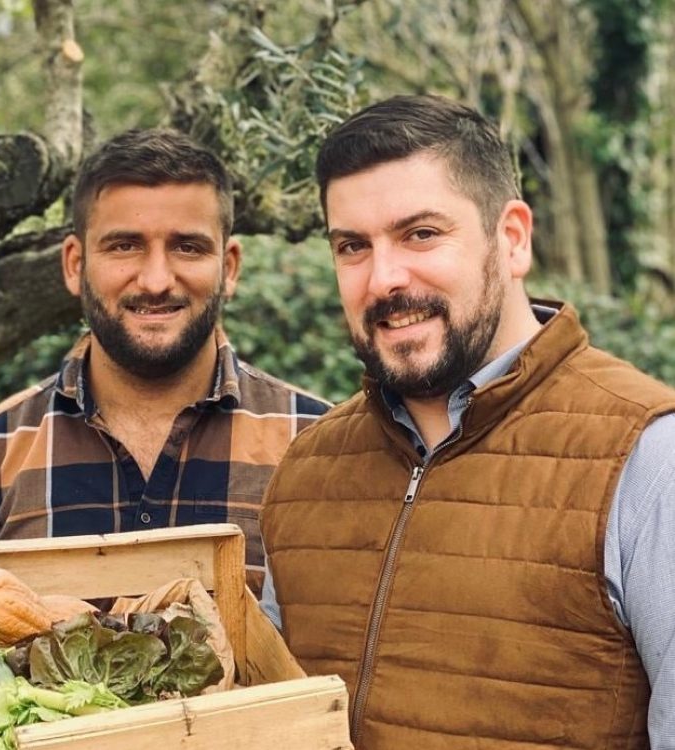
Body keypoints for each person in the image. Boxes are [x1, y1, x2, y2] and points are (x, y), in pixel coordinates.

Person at [0, 128, 330, 750]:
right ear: (76, 264)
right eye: (124, 245)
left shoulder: (316, 446)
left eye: (187, 246)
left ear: (228, 267)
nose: (156, 279)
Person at [260, 94, 675, 750]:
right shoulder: (308, 470)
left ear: (511, 239)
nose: (384, 278)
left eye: (421, 233)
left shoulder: (650, 459)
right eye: (352, 247)